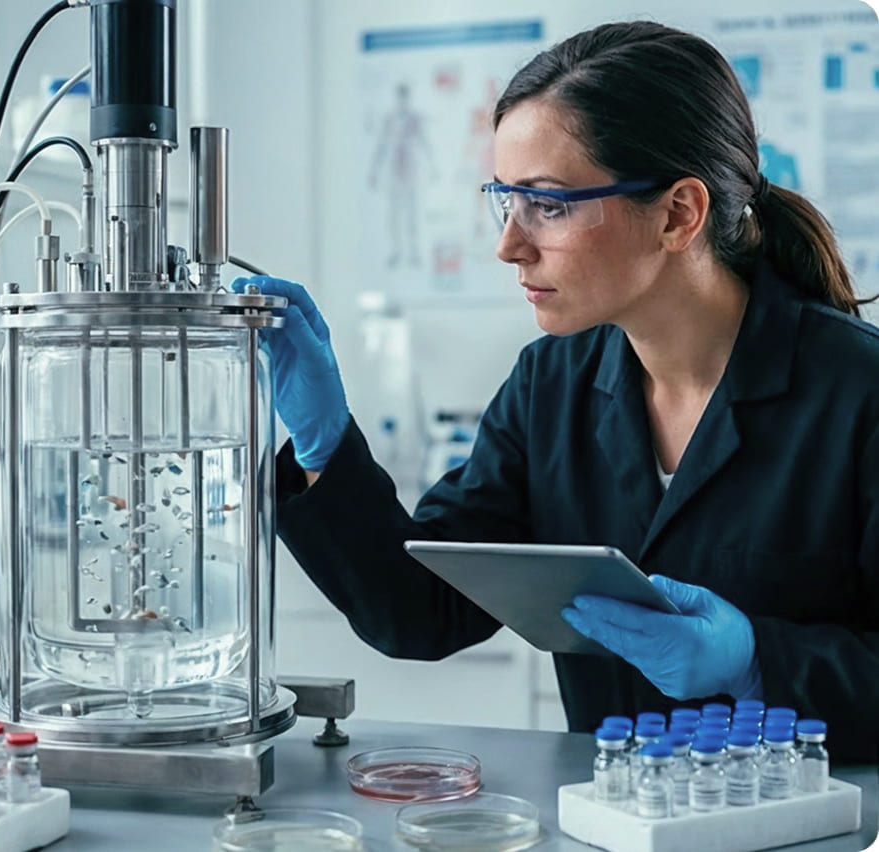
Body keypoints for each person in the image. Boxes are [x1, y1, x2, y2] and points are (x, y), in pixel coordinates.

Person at [233, 21, 879, 762]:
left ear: (678, 214)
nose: (509, 244)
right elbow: (421, 611)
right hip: (612, 824)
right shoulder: (550, 386)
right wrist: (324, 446)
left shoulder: (858, 394)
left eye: (548, 204)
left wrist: (757, 661)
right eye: (506, 200)